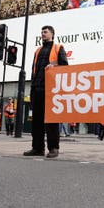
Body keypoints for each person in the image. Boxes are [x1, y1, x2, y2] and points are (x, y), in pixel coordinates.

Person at [23, 25, 68, 158]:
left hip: (50, 90)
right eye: (41, 32)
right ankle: (37, 148)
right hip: (37, 88)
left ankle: (53, 148)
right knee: (36, 121)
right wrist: (31, 89)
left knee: (51, 120)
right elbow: (34, 71)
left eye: (45, 32)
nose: (42, 34)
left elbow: (65, 66)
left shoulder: (58, 48)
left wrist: (54, 66)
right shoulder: (37, 50)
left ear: (52, 34)